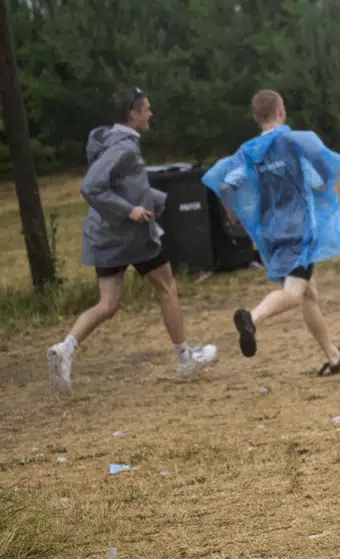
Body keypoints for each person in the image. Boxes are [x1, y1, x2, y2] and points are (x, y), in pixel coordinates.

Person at [47, 88, 217, 395]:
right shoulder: (124, 146)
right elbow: (91, 187)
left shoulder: (110, 141)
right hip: (131, 235)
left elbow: (123, 185)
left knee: (108, 304)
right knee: (167, 288)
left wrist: (157, 199)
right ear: (133, 114)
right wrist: (130, 211)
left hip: (106, 236)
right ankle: (185, 359)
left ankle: (66, 347)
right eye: (147, 109)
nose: (151, 114)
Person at [204, 90, 340, 376]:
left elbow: (225, 184)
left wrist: (232, 213)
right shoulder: (295, 142)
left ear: (255, 118)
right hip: (301, 231)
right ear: (281, 112)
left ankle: (333, 356)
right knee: (294, 292)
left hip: (272, 232)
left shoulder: (248, 152)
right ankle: (253, 318)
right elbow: (324, 173)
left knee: (309, 292)